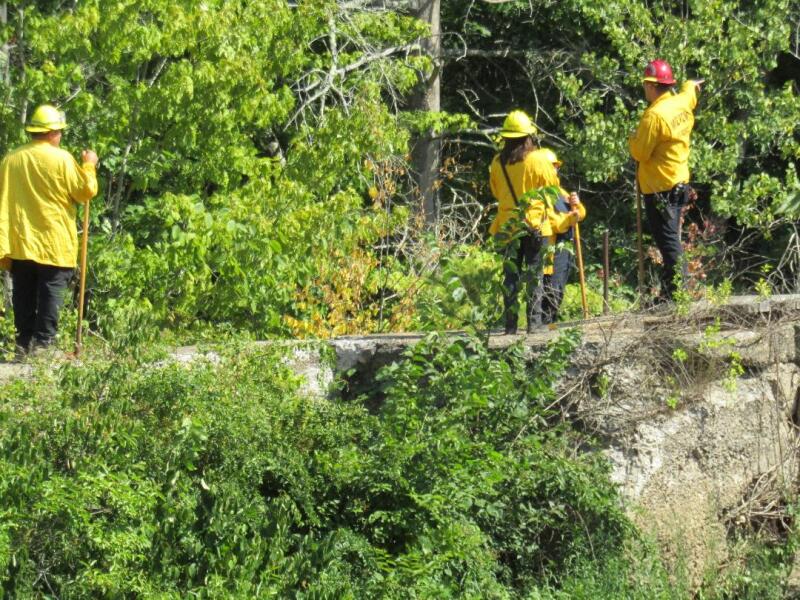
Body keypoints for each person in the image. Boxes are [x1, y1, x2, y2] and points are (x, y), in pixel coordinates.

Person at [0, 104, 99, 354]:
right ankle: (43, 345)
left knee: (23, 293)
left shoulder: (11, 159)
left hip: (21, 241)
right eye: (60, 131)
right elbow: (85, 192)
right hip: (54, 241)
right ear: (52, 132)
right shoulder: (62, 159)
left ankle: (23, 344)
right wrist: (89, 165)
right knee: (50, 293)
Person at [488, 110, 579, 334]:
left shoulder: (497, 162)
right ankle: (534, 323)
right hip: (536, 226)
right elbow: (553, 190)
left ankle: (509, 325)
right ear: (529, 136)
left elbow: (496, 191)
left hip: (508, 227)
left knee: (511, 275)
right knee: (534, 274)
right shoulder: (539, 159)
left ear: (506, 137)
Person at [629, 59, 702, 301]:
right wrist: (692, 84)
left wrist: (633, 138)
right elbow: (689, 92)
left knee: (668, 242)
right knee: (670, 239)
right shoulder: (681, 102)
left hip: (661, 189)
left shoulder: (654, 116)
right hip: (679, 183)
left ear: (651, 86)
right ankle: (671, 292)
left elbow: (640, 153)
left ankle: (676, 295)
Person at [538, 148, 586, 324]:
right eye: (552, 167)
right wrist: (571, 218)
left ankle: (551, 324)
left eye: (556, 167)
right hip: (550, 250)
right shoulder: (540, 195)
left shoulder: (561, 192)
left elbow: (581, 213)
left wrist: (577, 207)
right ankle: (545, 325)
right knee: (549, 290)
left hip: (564, 249)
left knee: (558, 290)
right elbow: (555, 224)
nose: (555, 170)